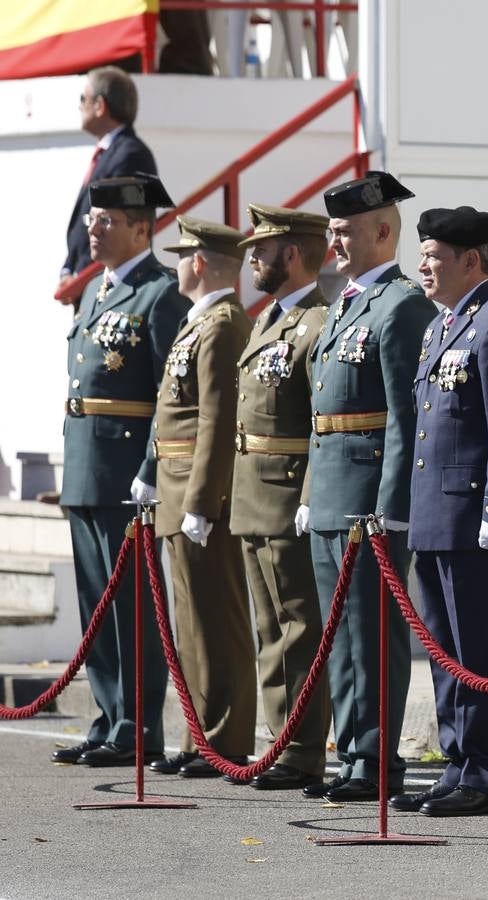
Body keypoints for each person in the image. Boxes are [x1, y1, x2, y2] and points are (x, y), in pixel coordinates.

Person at [298, 171, 436, 801]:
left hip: (366, 496)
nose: (337, 245)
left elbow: (405, 418)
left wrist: (390, 505)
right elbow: (320, 413)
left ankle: (377, 757)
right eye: (332, 233)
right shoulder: (345, 304)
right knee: (339, 638)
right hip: (329, 491)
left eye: (347, 232)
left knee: (371, 633)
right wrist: (307, 496)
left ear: (384, 231)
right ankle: (352, 752)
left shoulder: (402, 304)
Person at [391, 207, 488, 818]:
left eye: (435, 256)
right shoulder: (440, 325)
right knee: (444, 647)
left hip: (475, 515)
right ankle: (457, 760)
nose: (423, 264)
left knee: (479, 649)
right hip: (435, 514)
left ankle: (485, 768)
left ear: (471, 260)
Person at [56, 174, 186, 767]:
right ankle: (108, 717)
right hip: (86, 462)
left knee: (130, 607)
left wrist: (153, 468)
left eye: (105, 220)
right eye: (91, 219)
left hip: (126, 468)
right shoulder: (94, 293)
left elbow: (172, 394)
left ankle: (138, 725)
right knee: (96, 607)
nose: (93, 228)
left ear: (141, 227)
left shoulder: (160, 295)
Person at [143, 216, 256, 778]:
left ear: (203, 263)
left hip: (197, 490)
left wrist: (202, 500)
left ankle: (226, 738)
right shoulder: (200, 322)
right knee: (190, 621)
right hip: (175, 483)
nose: (178, 263)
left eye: (184, 255)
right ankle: (199, 734)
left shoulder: (223, 323)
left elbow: (216, 418)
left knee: (218, 618)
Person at [229, 204, 334, 791]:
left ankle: (301, 749)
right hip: (254, 491)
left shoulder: (316, 324)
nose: (253, 260)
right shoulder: (270, 321)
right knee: (270, 628)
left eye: (262, 251)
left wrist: (310, 494)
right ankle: (282, 741)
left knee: (298, 627)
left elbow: (322, 419)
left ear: (292, 254)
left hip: (288, 489)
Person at [58, 67, 158, 305]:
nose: (80, 106)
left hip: (111, 289)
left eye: (84, 99)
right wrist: (68, 270)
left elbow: (122, 226)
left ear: (100, 105)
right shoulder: (110, 152)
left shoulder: (131, 154)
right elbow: (88, 219)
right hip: (88, 284)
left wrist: (83, 279)